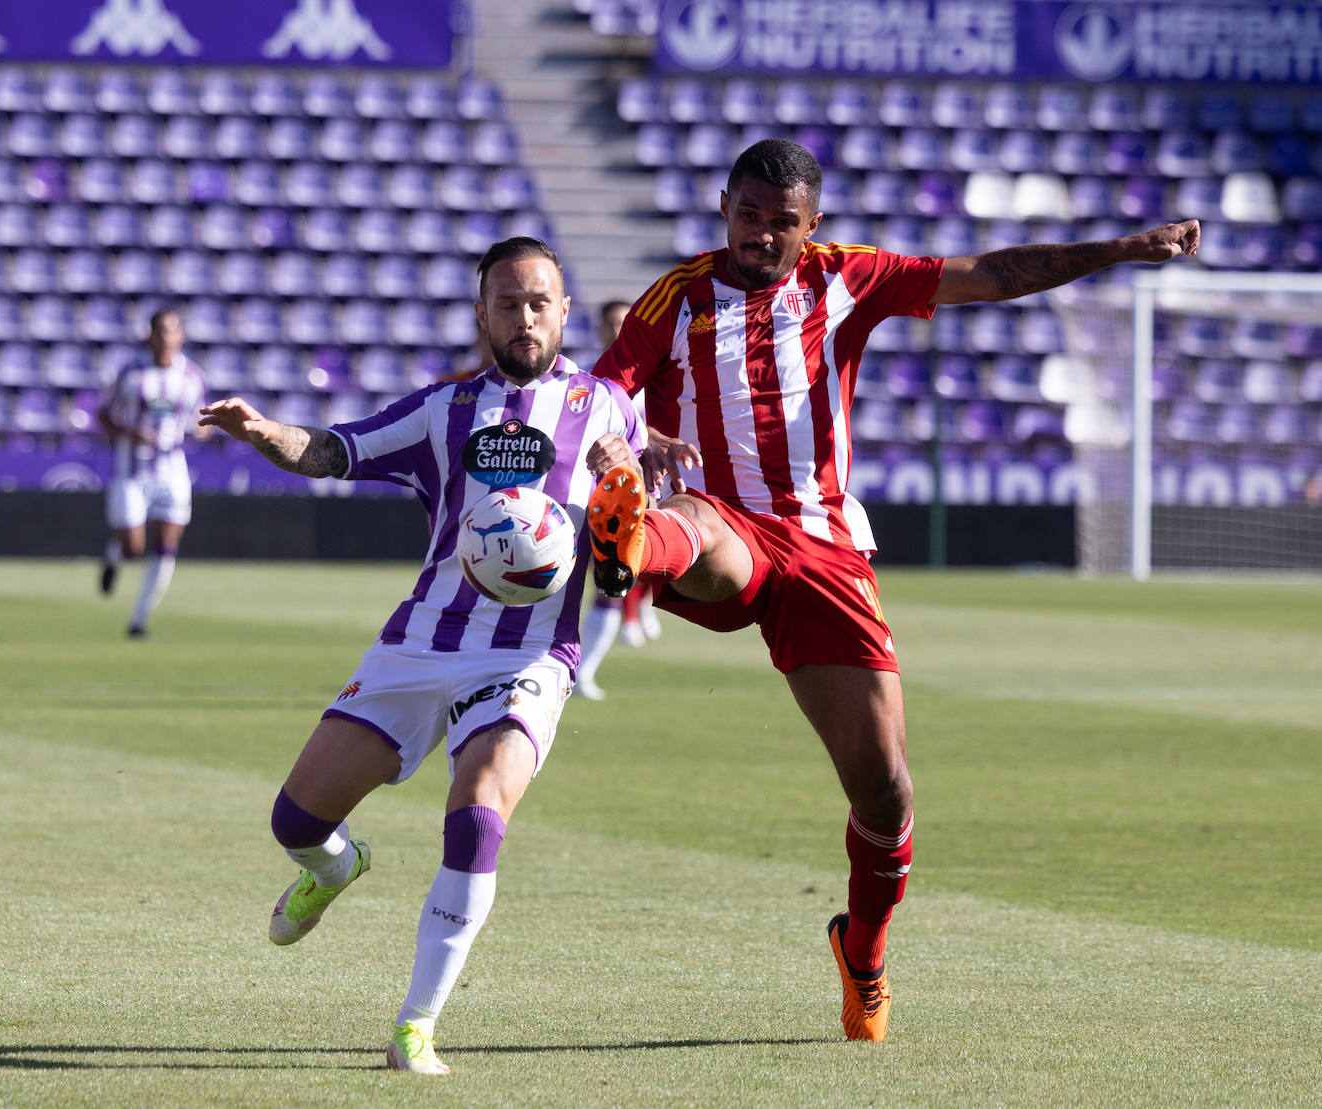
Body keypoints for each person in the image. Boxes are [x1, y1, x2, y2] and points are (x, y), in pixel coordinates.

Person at [584, 139, 1201, 1041]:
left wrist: (1115, 250)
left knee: (887, 794)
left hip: (826, 549)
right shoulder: (675, 299)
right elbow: (604, 391)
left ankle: (861, 954)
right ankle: (628, 544)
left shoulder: (849, 279)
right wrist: (626, 447)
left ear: (813, 226)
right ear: (724, 205)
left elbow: (989, 273)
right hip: (715, 526)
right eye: (747, 215)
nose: (760, 236)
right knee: (701, 531)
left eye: (781, 224)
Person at [199, 237, 643, 1075]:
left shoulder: (610, 407)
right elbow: (337, 449)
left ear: (564, 312)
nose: (524, 318)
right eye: (507, 304)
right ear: (482, 316)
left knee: (477, 811)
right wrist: (263, 432)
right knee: (295, 823)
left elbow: (630, 530)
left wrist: (633, 480)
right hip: (420, 641)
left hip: (528, 654)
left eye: (539, 302)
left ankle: (416, 1023)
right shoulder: (443, 408)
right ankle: (336, 867)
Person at [98, 309, 208, 638]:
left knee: (167, 544)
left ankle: (138, 621)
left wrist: (200, 431)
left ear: (181, 337)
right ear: (149, 336)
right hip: (132, 470)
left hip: (172, 471)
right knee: (134, 546)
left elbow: (201, 420)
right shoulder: (131, 373)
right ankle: (115, 555)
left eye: (171, 331)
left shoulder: (191, 376)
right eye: (159, 331)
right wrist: (129, 432)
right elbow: (104, 415)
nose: (165, 338)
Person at [573, 299, 661, 699]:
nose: (616, 330)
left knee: (610, 585)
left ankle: (583, 673)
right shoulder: (583, 379)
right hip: (578, 495)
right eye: (610, 323)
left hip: (623, 501)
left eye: (623, 323)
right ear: (599, 328)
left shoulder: (652, 380)